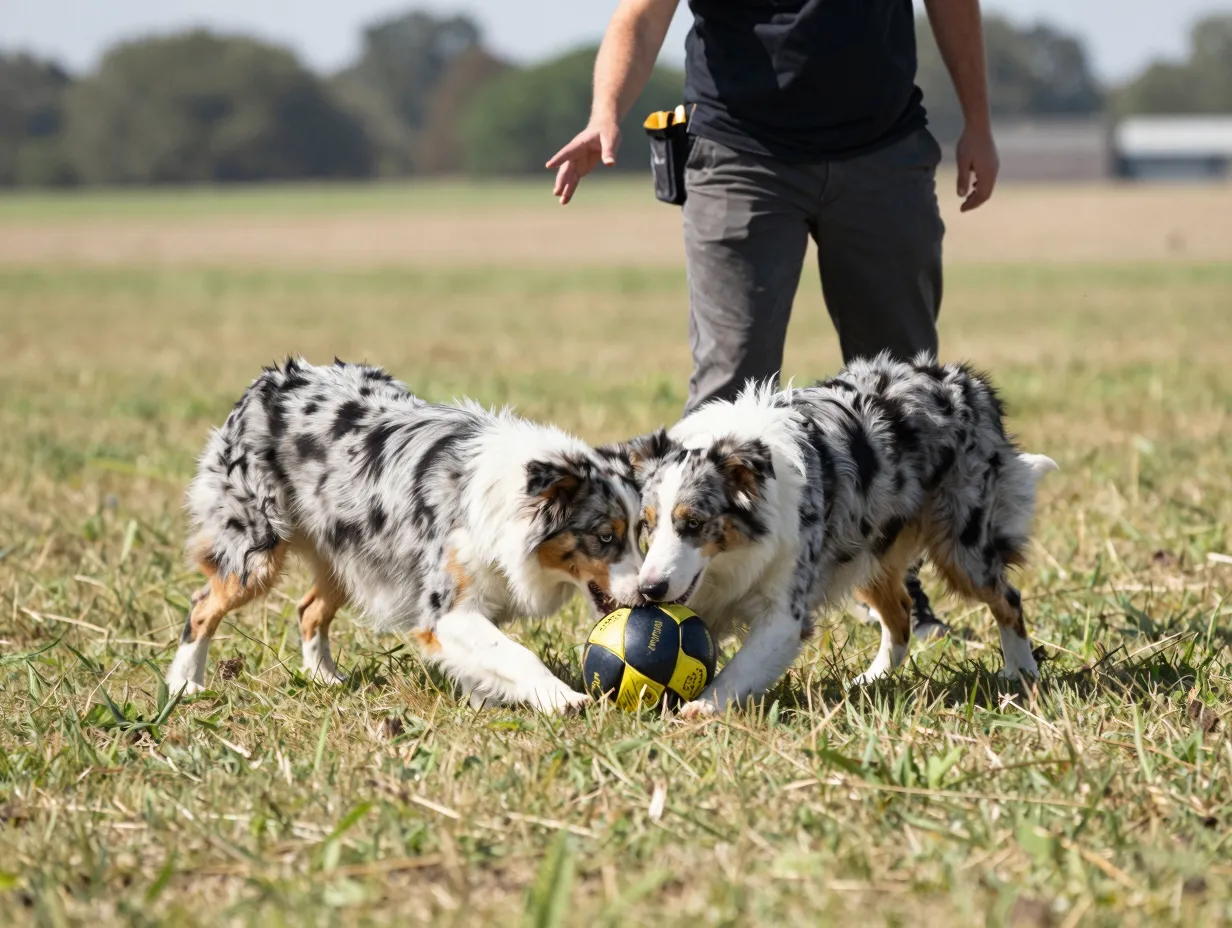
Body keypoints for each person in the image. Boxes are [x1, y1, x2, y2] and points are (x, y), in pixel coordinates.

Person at [547, 0, 1002, 636]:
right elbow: (641, 16)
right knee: (728, 384)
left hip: (882, 148)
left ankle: (902, 595)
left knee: (902, 395)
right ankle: (686, 608)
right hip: (739, 152)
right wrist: (604, 115)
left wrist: (977, 122)